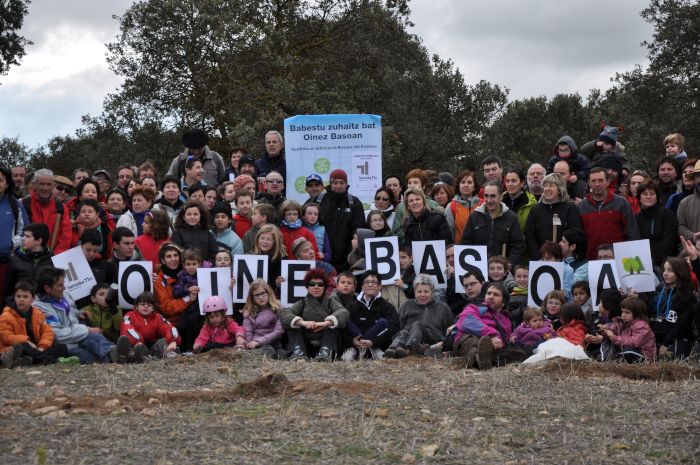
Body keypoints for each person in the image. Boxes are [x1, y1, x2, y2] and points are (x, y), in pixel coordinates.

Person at [34, 267, 117, 364]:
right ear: (48, 288)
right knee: (89, 358)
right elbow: (57, 335)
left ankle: (117, 355)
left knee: (96, 338)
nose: (64, 287)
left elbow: (70, 309)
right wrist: (87, 330)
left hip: (79, 336)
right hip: (65, 345)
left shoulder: (63, 294)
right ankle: (113, 358)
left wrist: (79, 313)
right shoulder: (39, 308)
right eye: (60, 285)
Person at [279, 269, 349, 361]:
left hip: (326, 341)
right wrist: (302, 322)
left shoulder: (330, 301)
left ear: (325, 287)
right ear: (307, 287)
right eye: (312, 284)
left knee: (334, 325)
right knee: (292, 324)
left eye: (320, 284)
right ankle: (299, 353)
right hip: (306, 343)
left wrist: (325, 323)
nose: (316, 287)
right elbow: (284, 314)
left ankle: (325, 353)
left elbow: (343, 312)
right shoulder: (302, 302)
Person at [453, 282, 527, 369]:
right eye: (489, 293)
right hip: (470, 338)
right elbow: (465, 321)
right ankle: (478, 359)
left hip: (493, 349)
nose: (491, 296)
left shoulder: (508, 320)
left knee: (520, 354)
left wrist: (511, 338)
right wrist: (491, 335)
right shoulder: (476, 307)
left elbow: (505, 341)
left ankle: (486, 360)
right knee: (474, 342)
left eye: (496, 294)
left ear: (503, 302)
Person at [0, 280, 68, 367]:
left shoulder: (38, 313)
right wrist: (27, 341)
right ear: (14, 297)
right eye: (18, 296)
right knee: (23, 346)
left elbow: (47, 332)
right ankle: (45, 359)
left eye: (25, 297)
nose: (21, 299)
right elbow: (7, 337)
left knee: (63, 348)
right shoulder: (6, 316)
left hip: (36, 348)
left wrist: (42, 347)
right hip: (13, 349)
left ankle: (32, 360)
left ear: (33, 299)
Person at [384, 274, 454, 358]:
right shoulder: (407, 305)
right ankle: (393, 350)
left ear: (432, 292)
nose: (422, 295)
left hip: (432, 340)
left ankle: (408, 350)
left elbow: (449, 331)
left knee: (417, 325)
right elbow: (399, 326)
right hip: (408, 336)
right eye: (419, 291)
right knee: (403, 332)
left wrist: (441, 344)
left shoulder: (443, 307)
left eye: (426, 291)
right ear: (414, 292)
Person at [578, 167, 639, 259]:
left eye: (601, 180)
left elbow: (632, 232)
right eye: (593, 181)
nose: (597, 184)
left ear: (608, 182)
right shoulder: (582, 206)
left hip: (619, 260)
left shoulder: (621, 203)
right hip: (591, 260)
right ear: (589, 183)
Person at [460, 180, 525, 267]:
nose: (489, 200)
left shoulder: (511, 217)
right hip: (478, 269)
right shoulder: (474, 216)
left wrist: (510, 264)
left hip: (502, 271)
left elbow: (518, 246)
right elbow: (465, 243)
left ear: (501, 197)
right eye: (486, 196)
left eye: (493, 196)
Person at [642, 257, 696, 359]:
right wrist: (637, 298)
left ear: (680, 272)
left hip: (676, 338)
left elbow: (683, 324)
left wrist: (666, 343)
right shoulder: (657, 290)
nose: (665, 273)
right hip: (653, 336)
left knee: (669, 357)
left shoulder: (687, 296)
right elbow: (646, 311)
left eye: (670, 270)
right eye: (664, 269)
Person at [342, 270, 400, 361]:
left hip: (378, 345)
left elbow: (394, 328)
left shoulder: (387, 306)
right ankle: (360, 349)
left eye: (373, 282)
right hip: (355, 343)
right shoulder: (352, 305)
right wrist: (352, 342)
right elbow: (345, 328)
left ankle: (367, 349)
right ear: (362, 286)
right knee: (345, 319)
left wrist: (374, 342)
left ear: (380, 286)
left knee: (383, 322)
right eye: (366, 282)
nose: (370, 285)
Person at [524, 173, 581, 260]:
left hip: (564, 258)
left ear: (559, 189)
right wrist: (539, 256)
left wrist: (562, 254)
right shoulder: (536, 209)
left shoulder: (570, 208)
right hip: (541, 258)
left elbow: (574, 233)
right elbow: (529, 234)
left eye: (551, 186)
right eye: (545, 186)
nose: (547, 189)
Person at [318, 169, 365, 272]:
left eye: (341, 183)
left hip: (346, 257)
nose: (338, 186)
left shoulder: (354, 202)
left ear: (346, 184)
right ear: (330, 184)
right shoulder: (319, 200)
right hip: (323, 255)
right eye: (335, 183)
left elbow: (359, 227)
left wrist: (353, 250)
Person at [117, 291, 181, 362]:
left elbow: (168, 327)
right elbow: (127, 329)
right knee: (127, 341)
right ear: (136, 307)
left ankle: (171, 354)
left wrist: (173, 341)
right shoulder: (129, 315)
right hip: (136, 345)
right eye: (142, 304)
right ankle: (126, 357)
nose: (146, 306)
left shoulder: (158, 317)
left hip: (153, 348)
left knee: (164, 341)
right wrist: (137, 341)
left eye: (149, 305)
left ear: (153, 308)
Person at [21, 168, 72, 254]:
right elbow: (19, 232)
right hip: (26, 256)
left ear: (52, 186)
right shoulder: (23, 204)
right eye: (41, 184)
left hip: (52, 259)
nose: (45, 188)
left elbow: (65, 237)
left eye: (48, 184)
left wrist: (54, 258)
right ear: (34, 185)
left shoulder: (62, 208)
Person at [634, 180, 678, 268]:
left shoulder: (667, 214)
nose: (648, 197)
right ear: (639, 198)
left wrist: (655, 260)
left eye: (652, 194)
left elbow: (669, 240)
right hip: (642, 263)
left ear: (657, 197)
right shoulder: (636, 218)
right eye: (645, 194)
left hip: (665, 264)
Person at [599, 296, 656, 362]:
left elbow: (633, 343)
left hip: (643, 355)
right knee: (608, 342)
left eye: (627, 312)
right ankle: (606, 358)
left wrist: (614, 337)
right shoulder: (625, 322)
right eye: (622, 312)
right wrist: (606, 329)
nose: (623, 315)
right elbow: (614, 328)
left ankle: (611, 359)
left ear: (637, 313)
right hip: (625, 350)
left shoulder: (642, 326)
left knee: (628, 351)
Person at [6, 223, 53, 298]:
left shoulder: (51, 261)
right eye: (23, 235)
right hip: (19, 306)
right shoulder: (15, 259)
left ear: (38, 240)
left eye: (27, 236)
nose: (23, 238)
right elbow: (8, 288)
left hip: (42, 306)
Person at [241, 279, 284, 357]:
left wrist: (259, 341)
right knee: (269, 351)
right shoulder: (249, 312)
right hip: (257, 345)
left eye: (263, 293)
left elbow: (278, 332)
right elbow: (248, 332)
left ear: (268, 292)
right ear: (252, 297)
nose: (260, 297)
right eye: (256, 295)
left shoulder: (278, 309)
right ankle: (248, 355)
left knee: (282, 354)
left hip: (273, 343)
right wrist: (249, 345)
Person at [445, 170, 481, 244]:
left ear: (474, 187)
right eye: (463, 182)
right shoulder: (451, 206)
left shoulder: (483, 204)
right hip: (459, 250)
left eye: (469, 182)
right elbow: (449, 234)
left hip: (482, 250)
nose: (465, 185)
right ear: (459, 186)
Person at [502, 168, 536, 233]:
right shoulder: (499, 200)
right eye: (507, 181)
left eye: (513, 181)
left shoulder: (531, 202)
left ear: (522, 183)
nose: (510, 184)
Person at [677, 159, 700, 242]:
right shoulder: (684, 203)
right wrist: (693, 236)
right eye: (698, 176)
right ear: (694, 179)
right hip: (692, 250)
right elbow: (681, 227)